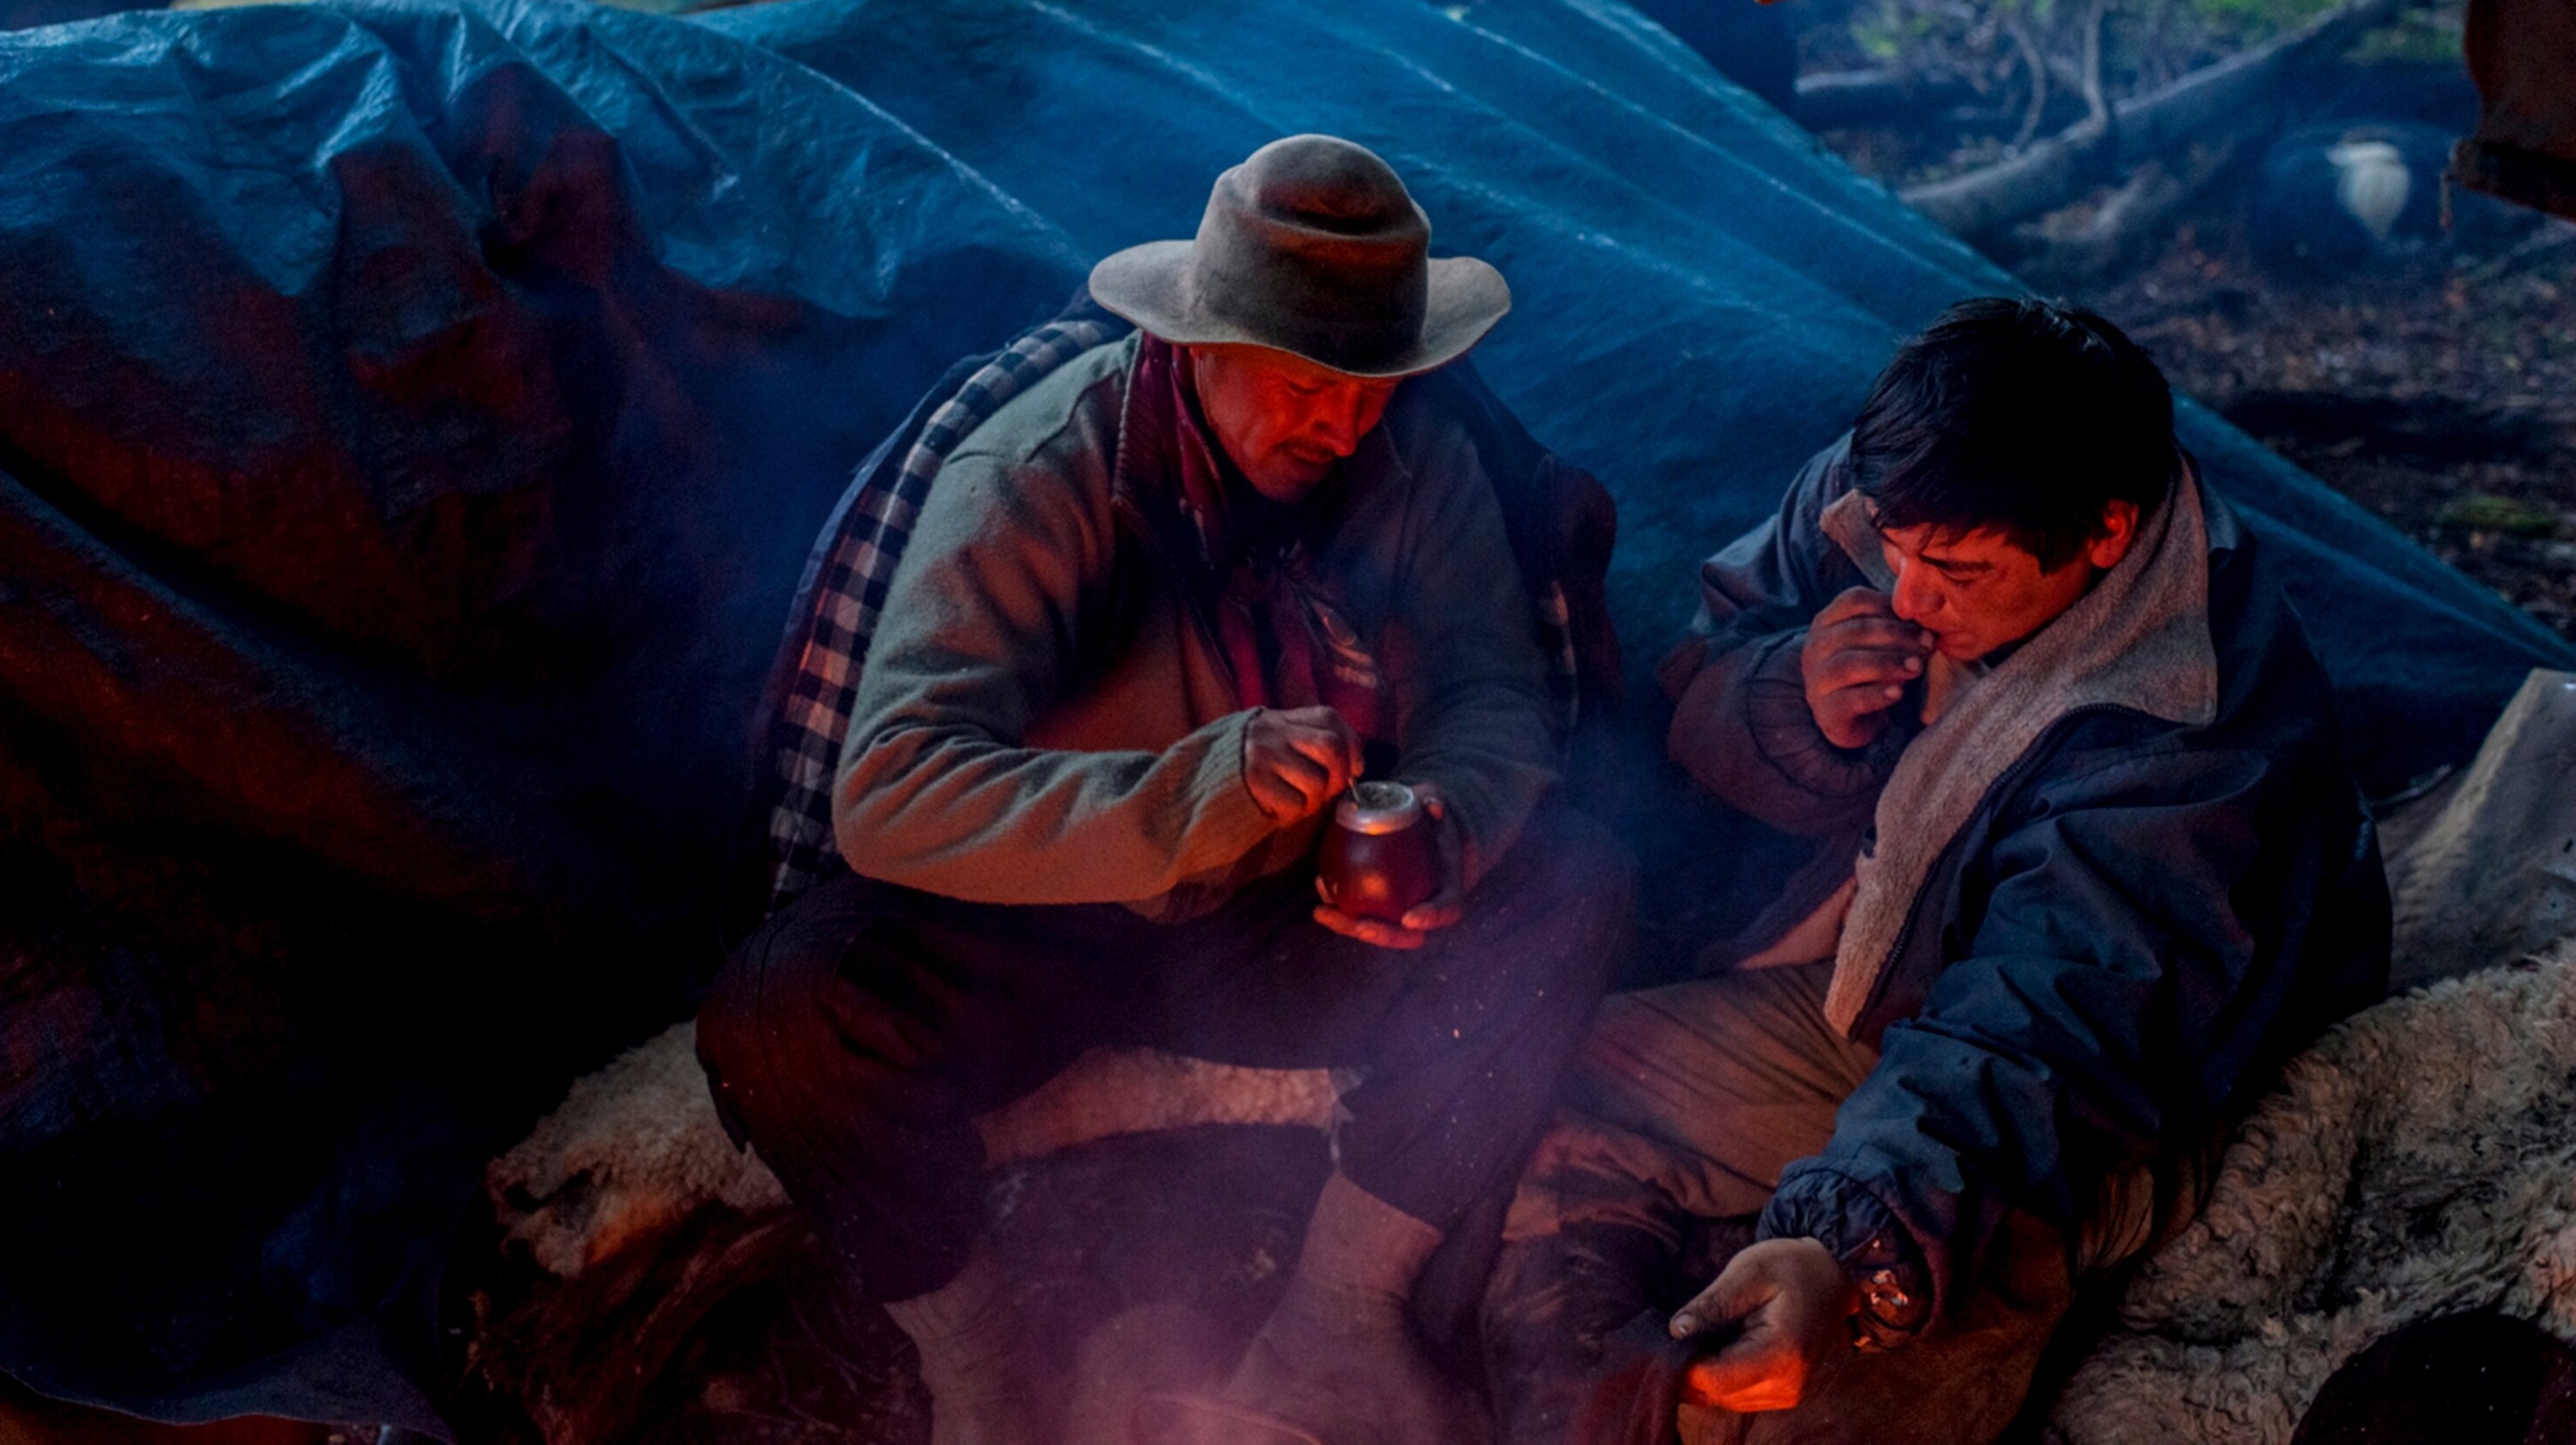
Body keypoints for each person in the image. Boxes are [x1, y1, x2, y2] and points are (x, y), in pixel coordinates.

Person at [697, 134, 1631, 1445]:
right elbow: (893, 790)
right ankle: (978, 1368)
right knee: (782, 1015)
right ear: (1199, 347)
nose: (1347, 422)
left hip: (1284, 926)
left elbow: (1493, 699)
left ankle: (1334, 1321)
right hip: (1038, 928)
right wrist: (1191, 793)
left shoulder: (1413, 463)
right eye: (1311, 383)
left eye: (1374, 384)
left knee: (1578, 881)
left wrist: (1442, 823)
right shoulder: (1040, 476)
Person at [1485, 298, 2389, 1444]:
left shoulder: (2191, 745)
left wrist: (1849, 1250)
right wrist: (1789, 697)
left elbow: (2037, 1044)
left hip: (2091, 1105)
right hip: (1892, 983)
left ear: (2106, 533)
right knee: (1547, 1096)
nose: (1906, 596)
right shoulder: (1904, 494)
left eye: (1955, 571)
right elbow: (1700, 665)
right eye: (1896, 551)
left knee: (1818, 1374)